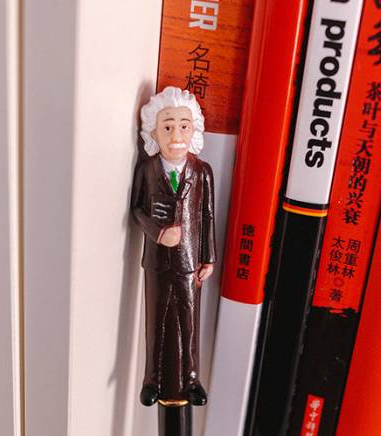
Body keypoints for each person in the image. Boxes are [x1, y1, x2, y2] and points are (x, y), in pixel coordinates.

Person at [131, 87, 215, 407]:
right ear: (154, 132)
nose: (176, 135)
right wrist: (158, 233)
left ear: (194, 130)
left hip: (189, 260)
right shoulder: (147, 170)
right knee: (155, 319)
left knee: (189, 319)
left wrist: (208, 257)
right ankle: (151, 379)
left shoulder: (202, 172)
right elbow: (137, 210)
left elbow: (207, 215)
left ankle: (192, 378)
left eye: (183, 126)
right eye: (167, 127)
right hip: (156, 260)